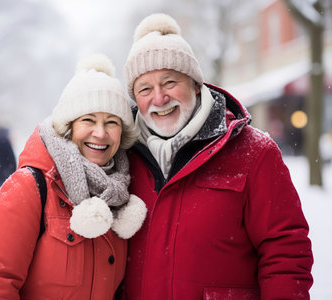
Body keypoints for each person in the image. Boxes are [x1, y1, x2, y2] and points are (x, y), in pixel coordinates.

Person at [120, 13, 313, 299]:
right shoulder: (121, 156)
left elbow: (285, 252)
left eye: (170, 82)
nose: (159, 98)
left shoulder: (254, 152)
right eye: (145, 89)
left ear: (196, 85)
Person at [0, 54, 147, 299]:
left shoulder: (121, 195)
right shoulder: (29, 187)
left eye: (112, 122)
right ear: (69, 126)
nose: (100, 132)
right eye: (88, 120)